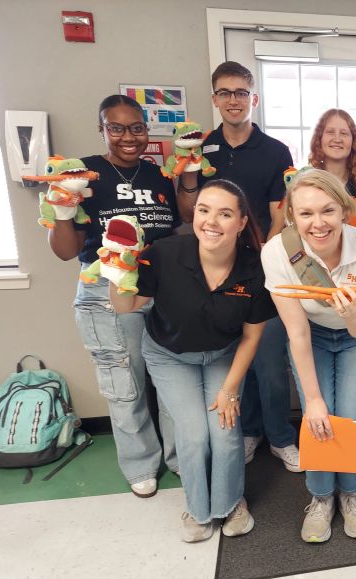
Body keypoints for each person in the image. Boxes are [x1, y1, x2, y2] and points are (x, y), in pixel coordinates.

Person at [111, 179, 276, 542]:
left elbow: (251, 337)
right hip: (170, 357)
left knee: (224, 431)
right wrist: (116, 271)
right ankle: (199, 509)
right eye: (203, 210)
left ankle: (232, 503)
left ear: (242, 222)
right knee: (194, 434)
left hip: (222, 354)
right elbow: (124, 307)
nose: (211, 221)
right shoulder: (165, 253)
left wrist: (231, 390)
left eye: (225, 213)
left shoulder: (255, 268)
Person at [47, 94, 188, 499]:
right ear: (102, 129)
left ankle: (180, 457)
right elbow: (64, 250)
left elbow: (176, 230)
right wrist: (61, 207)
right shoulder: (85, 174)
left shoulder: (159, 176)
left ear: (146, 130)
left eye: (136, 127)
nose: (128, 136)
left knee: (172, 378)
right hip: (105, 292)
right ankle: (141, 464)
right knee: (124, 382)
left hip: (159, 292)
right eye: (117, 128)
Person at [176, 61, 300, 473]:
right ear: (214, 99)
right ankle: (248, 432)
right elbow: (191, 211)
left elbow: (279, 214)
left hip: (261, 270)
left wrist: (265, 255)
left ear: (254, 99)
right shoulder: (199, 149)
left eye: (241, 93)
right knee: (231, 360)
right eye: (225, 93)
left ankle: (281, 435)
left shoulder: (276, 152)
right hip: (211, 271)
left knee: (269, 360)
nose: (233, 100)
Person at [261, 169, 356, 543]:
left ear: (345, 210)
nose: (318, 223)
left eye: (328, 211)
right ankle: (320, 498)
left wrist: (350, 313)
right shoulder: (278, 253)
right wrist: (313, 399)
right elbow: (297, 331)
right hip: (311, 334)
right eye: (305, 214)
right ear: (292, 217)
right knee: (319, 416)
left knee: (348, 414)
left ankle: (351, 492)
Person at [308, 108, 356, 206]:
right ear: (319, 139)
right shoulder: (305, 184)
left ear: (353, 142)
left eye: (344, 133)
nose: (337, 139)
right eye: (330, 132)